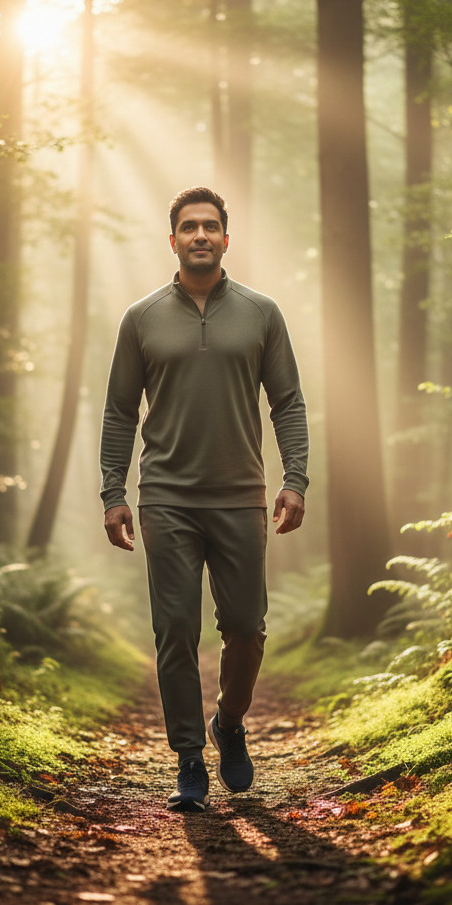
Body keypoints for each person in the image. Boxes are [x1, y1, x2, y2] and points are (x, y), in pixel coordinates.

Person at [98, 187, 309, 813]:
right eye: (188, 227)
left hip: (242, 496)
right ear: (172, 240)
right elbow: (118, 412)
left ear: (225, 238)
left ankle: (230, 723)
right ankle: (190, 757)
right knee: (176, 630)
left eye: (210, 226)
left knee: (246, 628)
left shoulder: (261, 313)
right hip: (166, 497)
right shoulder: (141, 318)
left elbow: (288, 404)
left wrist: (293, 480)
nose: (199, 235)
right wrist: (114, 493)